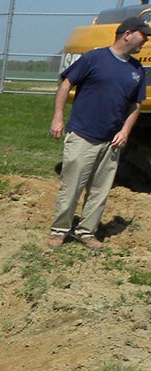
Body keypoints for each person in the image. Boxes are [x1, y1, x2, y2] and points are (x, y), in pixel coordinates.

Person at [48, 15, 150, 251]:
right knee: (71, 187)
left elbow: (136, 105)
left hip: (111, 141)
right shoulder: (94, 58)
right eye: (142, 36)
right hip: (83, 134)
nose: (145, 41)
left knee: (99, 190)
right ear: (127, 35)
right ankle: (59, 231)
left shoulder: (136, 70)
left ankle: (87, 232)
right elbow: (65, 85)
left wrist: (125, 131)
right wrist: (57, 118)